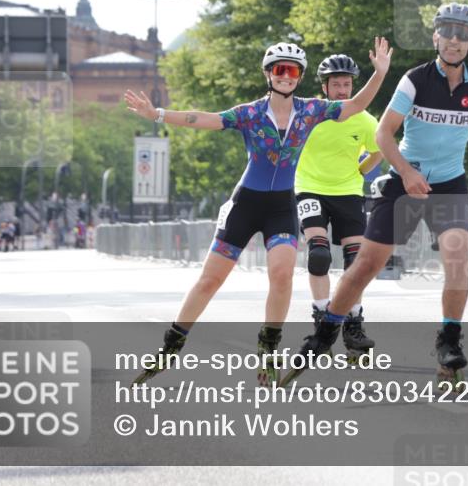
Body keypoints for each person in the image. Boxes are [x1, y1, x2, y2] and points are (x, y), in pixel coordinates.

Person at [124, 37, 391, 385]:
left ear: (300, 76)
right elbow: (203, 119)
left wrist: (379, 73)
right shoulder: (249, 114)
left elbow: (355, 105)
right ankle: (171, 345)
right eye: (279, 70)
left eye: (292, 71)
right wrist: (157, 114)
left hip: (281, 207)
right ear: (268, 74)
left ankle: (269, 346)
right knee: (210, 280)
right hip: (245, 205)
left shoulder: (311, 111)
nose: (286, 76)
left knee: (281, 275)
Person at [293, 3, 468, 386]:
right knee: (366, 264)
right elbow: (383, 134)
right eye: (447, 33)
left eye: (462, 35)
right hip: (404, 181)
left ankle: (449, 340)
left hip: (449, 183)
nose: (454, 41)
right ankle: (326, 330)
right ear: (435, 37)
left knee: (457, 258)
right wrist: (406, 171)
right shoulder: (415, 80)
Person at [294, 54, 384, 358]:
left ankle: (353, 325)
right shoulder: (311, 114)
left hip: (348, 193)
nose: (342, 90)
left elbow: (378, 151)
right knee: (319, 254)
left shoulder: (365, 120)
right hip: (309, 189)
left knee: (356, 262)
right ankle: (322, 317)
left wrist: (360, 170)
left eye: (347, 84)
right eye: (336, 85)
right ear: (325, 87)